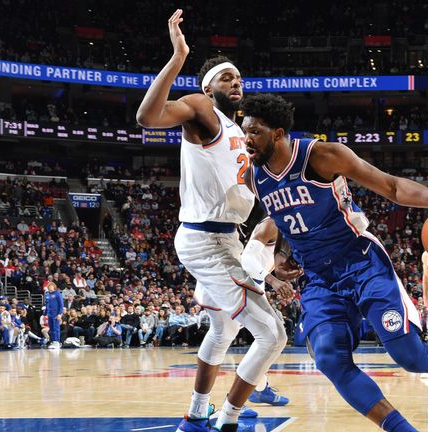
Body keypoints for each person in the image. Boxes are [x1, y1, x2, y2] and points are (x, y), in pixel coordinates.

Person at [240, 93, 428, 431]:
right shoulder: (254, 177)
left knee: (410, 356)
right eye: (245, 131)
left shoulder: (321, 156)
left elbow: (391, 187)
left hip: (360, 263)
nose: (247, 139)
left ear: (279, 133)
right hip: (317, 279)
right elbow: (281, 218)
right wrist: (279, 255)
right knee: (328, 358)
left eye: (255, 131)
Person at [135, 10, 291, 432]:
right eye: (227, 78)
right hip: (208, 240)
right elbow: (147, 118)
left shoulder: (244, 132)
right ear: (207, 87)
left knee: (222, 330)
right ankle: (227, 419)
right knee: (273, 335)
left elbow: (254, 196)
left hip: (227, 239)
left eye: (239, 78)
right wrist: (178, 57)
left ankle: (196, 413)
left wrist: (275, 256)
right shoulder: (201, 109)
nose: (236, 83)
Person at [44, 281, 64, 349]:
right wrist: (45, 313)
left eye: (51, 286)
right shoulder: (47, 294)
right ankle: (53, 341)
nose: (50, 288)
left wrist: (60, 314)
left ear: (54, 287)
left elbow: (61, 305)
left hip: (56, 314)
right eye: (49, 286)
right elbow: (46, 304)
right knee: (51, 328)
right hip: (49, 314)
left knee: (56, 328)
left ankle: (57, 342)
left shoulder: (57, 294)